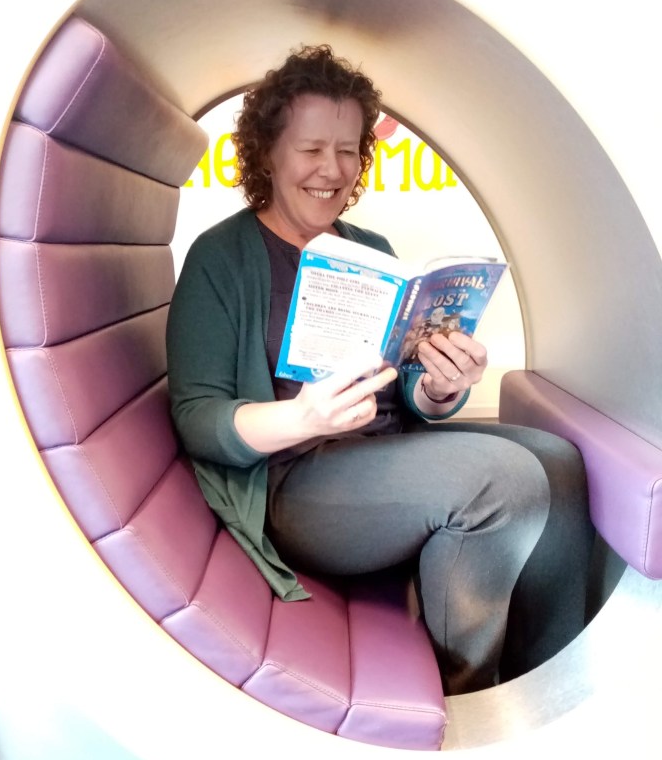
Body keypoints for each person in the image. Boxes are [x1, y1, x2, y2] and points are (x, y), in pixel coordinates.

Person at [166, 44, 594, 695]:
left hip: (385, 450)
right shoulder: (220, 258)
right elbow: (198, 419)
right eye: (312, 149)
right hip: (294, 480)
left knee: (558, 462)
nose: (332, 169)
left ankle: (543, 682)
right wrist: (301, 416)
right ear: (267, 152)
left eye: (348, 149)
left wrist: (441, 387)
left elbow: (407, 392)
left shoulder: (371, 249)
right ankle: (469, 695)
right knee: (500, 480)